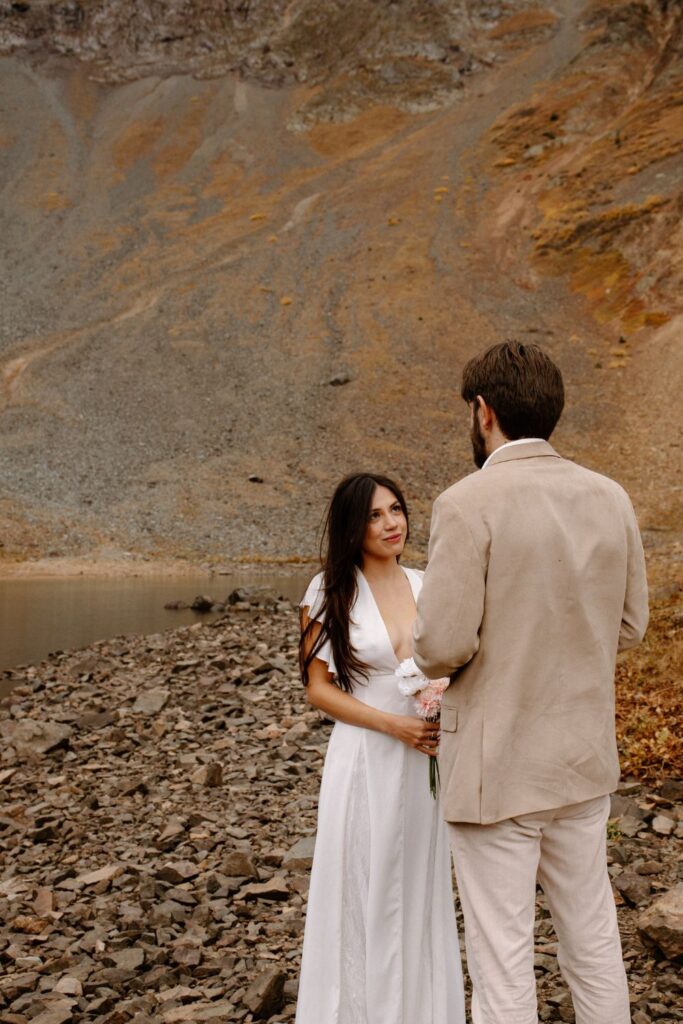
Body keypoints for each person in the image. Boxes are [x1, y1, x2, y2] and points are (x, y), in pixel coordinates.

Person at [414, 341, 649, 1024]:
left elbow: (441, 646)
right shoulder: (609, 496)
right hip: (581, 760)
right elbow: (630, 626)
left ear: (481, 411)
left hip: (496, 769)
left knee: (501, 957)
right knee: (592, 935)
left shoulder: (464, 503)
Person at [295, 472, 466, 1024]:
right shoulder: (327, 590)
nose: (392, 523)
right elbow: (317, 687)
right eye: (374, 515)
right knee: (359, 882)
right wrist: (393, 727)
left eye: (396, 510)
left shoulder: (427, 583)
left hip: (426, 765)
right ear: (352, 525)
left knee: (417, 887)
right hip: (365, 756)